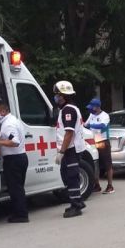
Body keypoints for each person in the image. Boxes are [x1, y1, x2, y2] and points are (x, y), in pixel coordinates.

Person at [0, 98, 29, 223]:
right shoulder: (14, 120)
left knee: (15, 189)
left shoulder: (8, 124)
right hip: (20, 157)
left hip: (14, 159)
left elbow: (14, 142)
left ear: (3, 111)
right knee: (18, 188)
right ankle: (19, 212)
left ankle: (21, 215)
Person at [53, 80, 87, 218]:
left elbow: (69, 133)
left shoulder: (68, 110)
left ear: (63, 96)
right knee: (66, 175)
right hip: (70, 148)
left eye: (57, 94)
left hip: (71, 149)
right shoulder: (68, 109)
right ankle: (77, 200)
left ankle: (76, 206)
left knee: (71, 176)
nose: (56, 97)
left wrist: (62, 151)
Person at [84, 98, 114, 194]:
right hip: (93, 141)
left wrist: (91, 125)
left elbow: (102, 126)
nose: (90, 109)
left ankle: (110, 186)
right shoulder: (91, 115)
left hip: (103, 141)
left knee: (107, 164)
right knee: (95, 164)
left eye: (92, 107)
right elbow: (86, 124)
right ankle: (97, 185)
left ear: (97, 107)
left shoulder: (105, 115)